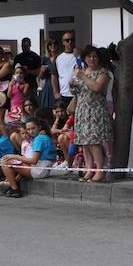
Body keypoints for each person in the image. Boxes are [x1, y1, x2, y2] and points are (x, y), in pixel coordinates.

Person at [69, 45, 112, 183]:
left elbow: (97, 87)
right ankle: (89, 169)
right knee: (84, 142)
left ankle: (99, 170)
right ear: (84, 58)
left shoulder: (103, 72)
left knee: (94, 141)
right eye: (89, 56)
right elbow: (76, 91)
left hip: (95, 111)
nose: (92, 59)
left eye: (94, 56)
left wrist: (82, 76)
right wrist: (73, 82)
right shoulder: (81, 71)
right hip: (82, 110)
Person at [0, 117, 55, 198]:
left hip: (39, 170)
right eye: (28, 129)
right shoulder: (44, 136)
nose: (31, 131)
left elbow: (34, 160)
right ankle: (13, 184)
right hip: (43, 168)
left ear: (39, 127)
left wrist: (16, 156)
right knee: (13, 160)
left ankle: (15, 189)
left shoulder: (39, 139)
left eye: (33, 128)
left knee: (4, 161)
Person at [55, 32, 78, 109]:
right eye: (67, 40)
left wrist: (79, 56)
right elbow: (54, 76)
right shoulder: (59, 58)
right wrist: (56, 92)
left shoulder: (79, 56)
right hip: (64, 93)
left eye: (72, 40)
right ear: (63, 42)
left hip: (77, 93)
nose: (70, 42)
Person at [39, 37, 60, 110]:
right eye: (50, 44)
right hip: (48, 86)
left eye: (55, 44)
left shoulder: (61, 57)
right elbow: (41, 77)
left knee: (59, 108)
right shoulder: (45, 59)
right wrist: (42, 71)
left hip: (59, 85)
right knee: (47, 111)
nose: (53, 46)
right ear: (48, 46)